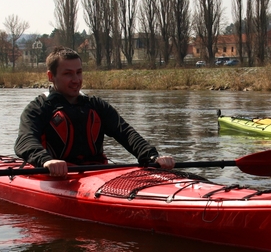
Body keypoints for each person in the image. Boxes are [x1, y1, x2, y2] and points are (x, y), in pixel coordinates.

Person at [15, 47, 175, 177]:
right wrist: (46, 161)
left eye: (79, 72)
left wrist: (152, 156)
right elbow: (25, 141)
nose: (76, 79)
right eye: (67, 74)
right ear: (51, 76)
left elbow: (125, 133)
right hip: (56, 175)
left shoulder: (96, 105)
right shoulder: (38, 108)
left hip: (96, 174)